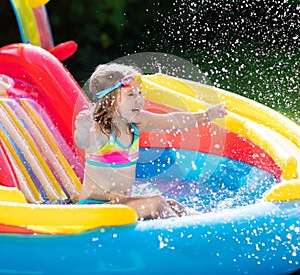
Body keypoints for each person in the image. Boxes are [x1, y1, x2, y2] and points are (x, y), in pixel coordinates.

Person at [74, 63, 227, 220]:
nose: (139, 100)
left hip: (119, 204)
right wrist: (83, 130)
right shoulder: (102, 129)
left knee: (174, 205)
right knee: (156, 203)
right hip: (94, 208)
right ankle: (179, 240)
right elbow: (85, 142)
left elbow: (171, 121)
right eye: (131, 95)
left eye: (140, 93)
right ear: (109, 100)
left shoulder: (138, 122)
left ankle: (212, 223)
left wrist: (206, 115)